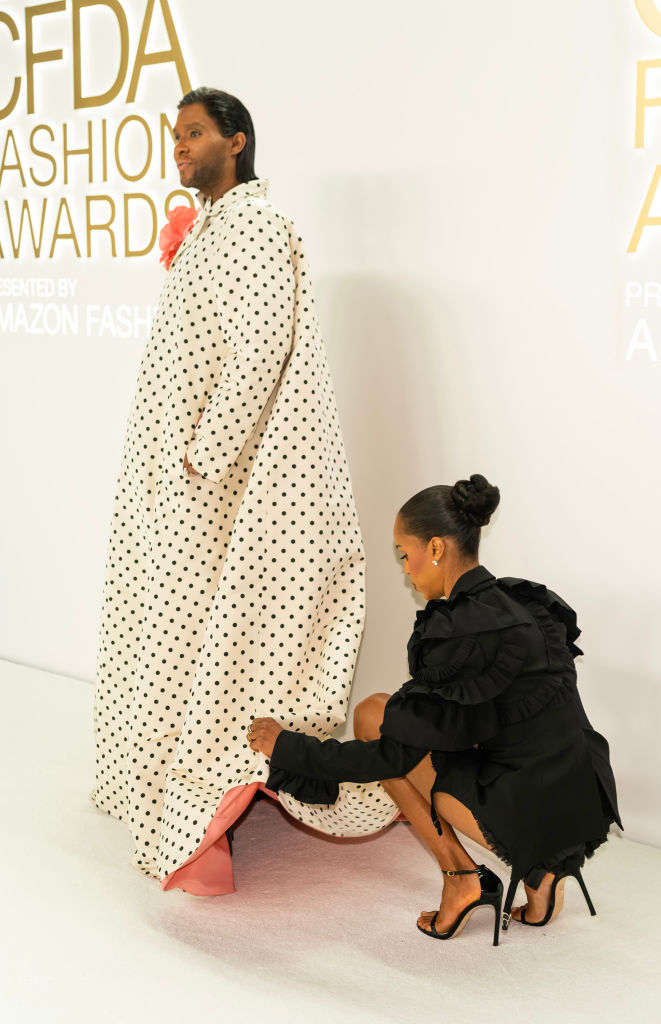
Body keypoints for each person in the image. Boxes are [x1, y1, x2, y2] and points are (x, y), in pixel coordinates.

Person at [92, 88, 396, 895]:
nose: (179, 146)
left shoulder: (257, 225)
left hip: (218, 481)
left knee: (207, 630)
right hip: (176, 473)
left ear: (237, 140)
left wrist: (205, 456)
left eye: (193, 133)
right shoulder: (209, 228)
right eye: (175, 134)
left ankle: (207, 800)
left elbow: (260, 347)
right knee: (172, 625)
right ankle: (163, 777)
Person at [249, 474, 621, 942]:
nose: (406, 570)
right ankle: (542, 877)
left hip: (532, 811)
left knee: (377, 727)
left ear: (437, 548)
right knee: (375, 710)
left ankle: (464, 878)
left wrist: (289, 747)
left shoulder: (462, 629)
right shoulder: (518, 601)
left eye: (405, 554)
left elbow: (391, 757)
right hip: (579, 797)